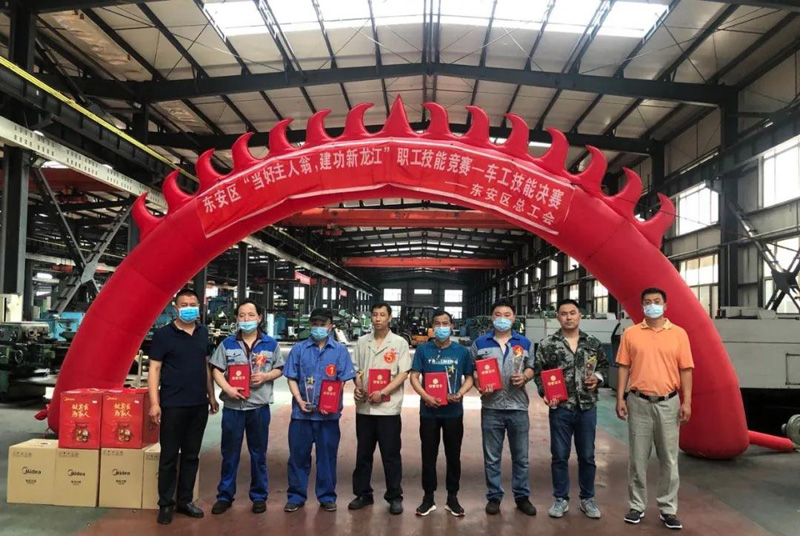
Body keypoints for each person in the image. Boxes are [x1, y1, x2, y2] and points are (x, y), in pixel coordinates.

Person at [616, 287, 694, 531]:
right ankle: (636, 506)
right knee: (638, 458)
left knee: (669, 458)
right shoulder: (631, 334)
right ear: (642, 306)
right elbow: (624, 366)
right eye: (648, 302)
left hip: (668, 403)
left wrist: (687, 401)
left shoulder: (679, 334)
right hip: (638, 401)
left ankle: (668, 509)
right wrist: (620, 397)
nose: (652, 305)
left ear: (665, 305)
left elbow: (686, 369)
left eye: (657, 301)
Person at [533, 299, 609, 520]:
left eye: (572, 313)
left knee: (587, 456)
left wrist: (597, 378)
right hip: (560, 408)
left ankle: (587, 498)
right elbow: (538, 373)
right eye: (564, 313)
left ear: (579, 316)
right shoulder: (547, 344)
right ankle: (561, 498)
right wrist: (545, 392)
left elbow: (604, 366)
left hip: (587, 407)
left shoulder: (592, 343)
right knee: (559, 456)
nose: (568, 317)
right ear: (558, 317)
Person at [148, 288, 218, 525]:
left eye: (193, 304)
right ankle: (165, 504)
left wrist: (211, 396)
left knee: (191, 455)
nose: (189, 308)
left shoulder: (202, 332)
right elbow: (154, 369)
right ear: (175, 308)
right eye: (184, 305)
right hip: (172, 405)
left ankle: (185, 501)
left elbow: (206, 366)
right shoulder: (163, 335)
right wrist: (155, 403)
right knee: (169, 456)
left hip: (198, 404)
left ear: (199, 307)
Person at [209, 300, 284, 515]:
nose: (246, 319)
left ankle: (259, 496)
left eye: (251, 315)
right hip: (233, 407)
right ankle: (225, 496)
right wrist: (227, 388)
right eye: (242, 315)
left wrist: (266, 376)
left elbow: (279, 368)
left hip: (258, 407)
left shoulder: (270, 344)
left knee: (258, 453)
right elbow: (216, 369)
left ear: (259, 318)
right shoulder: (227, 344)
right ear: (237, 319)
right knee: (229, 453)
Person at [283, 308, 357, 513]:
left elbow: (342, 380)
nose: (318, 328)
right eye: (314, 324)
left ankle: (327, 496)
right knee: (298, 457)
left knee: (327, 458)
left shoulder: (340, 351)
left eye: (322, 324)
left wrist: (330, 402)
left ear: (330, 326)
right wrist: (299, 400)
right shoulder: (298, 349)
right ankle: (296, 496)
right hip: (301, 415)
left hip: (328, 417)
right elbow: (291, 377)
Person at [470, 300, 537, 516]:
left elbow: (531, 367)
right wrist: (480, 385)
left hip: (518, 407)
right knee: (492, 457)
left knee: (521, 457)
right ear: (492, 318)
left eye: (507, 315)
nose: (502, 319)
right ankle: (494, 497)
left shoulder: (524, 343)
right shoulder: (480, 343)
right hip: (492, 407)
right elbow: (473, 370)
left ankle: (522, 497)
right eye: (498, 315)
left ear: (514, 318)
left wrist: (525, 376)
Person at [409, 309, 474, 517]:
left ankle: (452, 497)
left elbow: (470, 377)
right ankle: (428, 498)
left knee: (453, 455)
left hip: (453, 413)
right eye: (437, 323)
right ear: (432, 327)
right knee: (428, 455)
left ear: (452, 326)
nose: (441, 327)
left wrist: (460, 393)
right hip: (429, 412)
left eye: (445, 323)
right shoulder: (423, 350)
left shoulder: (461, 351)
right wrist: (425, 396)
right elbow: (414, 376)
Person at [348, 302, 411, 515]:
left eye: (382, 315)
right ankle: (363, 494)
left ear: (390, 318)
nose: (378, 319)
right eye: (374, 315)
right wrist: (358, 387)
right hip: (365, 408)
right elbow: (356, 370)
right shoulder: (362, 342)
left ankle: (394, 496)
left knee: (390, 455)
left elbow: (403, 373)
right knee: (363, 454)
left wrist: (383, 392)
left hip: (388, 409)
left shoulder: (399, 343)